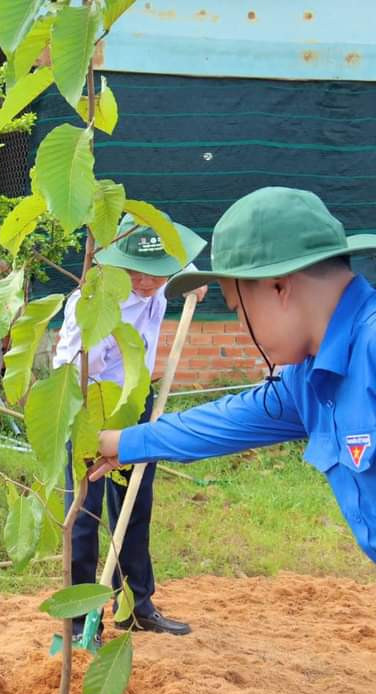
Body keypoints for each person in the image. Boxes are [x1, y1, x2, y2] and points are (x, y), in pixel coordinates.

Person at [95, 187, 376, 567]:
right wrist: (123, 441)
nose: (242, 325)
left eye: (237, 309)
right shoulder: (308, 378)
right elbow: (226, 421)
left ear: (279, 286)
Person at [54, 214, 207, 644]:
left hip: (137, 406)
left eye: (156, 273)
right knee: (84, 515)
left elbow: (184, 264)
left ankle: (137, 608)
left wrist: (193, 281)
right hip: (90, 408)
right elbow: (71, 372)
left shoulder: (160, 276)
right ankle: (78, 623)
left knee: (135, 505)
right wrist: (90, 427)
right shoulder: (92, 303)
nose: (146, 282)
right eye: (137, 271)